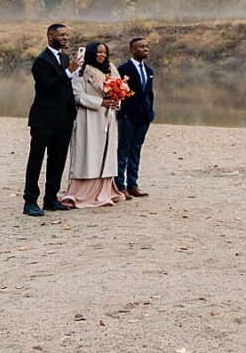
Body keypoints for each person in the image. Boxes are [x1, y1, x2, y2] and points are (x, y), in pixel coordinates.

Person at [59, 42, 129, 208]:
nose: (102, 55)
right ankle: (83, 192)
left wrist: (115, 102)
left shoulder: (111, 69)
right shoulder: (81, 70)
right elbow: (76, 94)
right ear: (91, 52)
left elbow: (121, 89)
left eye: (104, 52)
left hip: (108, 117)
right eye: (98, 52)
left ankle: (105, 190)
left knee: (106, 152)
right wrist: (100, 102)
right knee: (89, 151)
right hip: (88, 117)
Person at [23, 22, 81, 216]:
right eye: (61, 35)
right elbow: (46, 86)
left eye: (66, 35)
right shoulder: (41, 61)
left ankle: (51, 199)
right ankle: (30, 201)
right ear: (50, 36)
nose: (65, 38)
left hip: (63, 119)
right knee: (36, 160)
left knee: (58, 160)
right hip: (44, 119)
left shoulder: (64, 58)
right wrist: (68, 72)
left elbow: (66, 88)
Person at [116, 36, 156, 197]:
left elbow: (149, 93)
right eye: (141, 47)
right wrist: (122, 114)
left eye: (147, 47)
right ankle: (120, 186)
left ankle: (133, 184)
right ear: (132, 49)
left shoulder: (149, 71)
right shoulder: (123, 69)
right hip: (128, 117)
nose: (145, 49)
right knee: (123, 151)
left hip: (144, 117)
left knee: (136, 150)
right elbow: (118, 94)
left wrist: (150, 112)